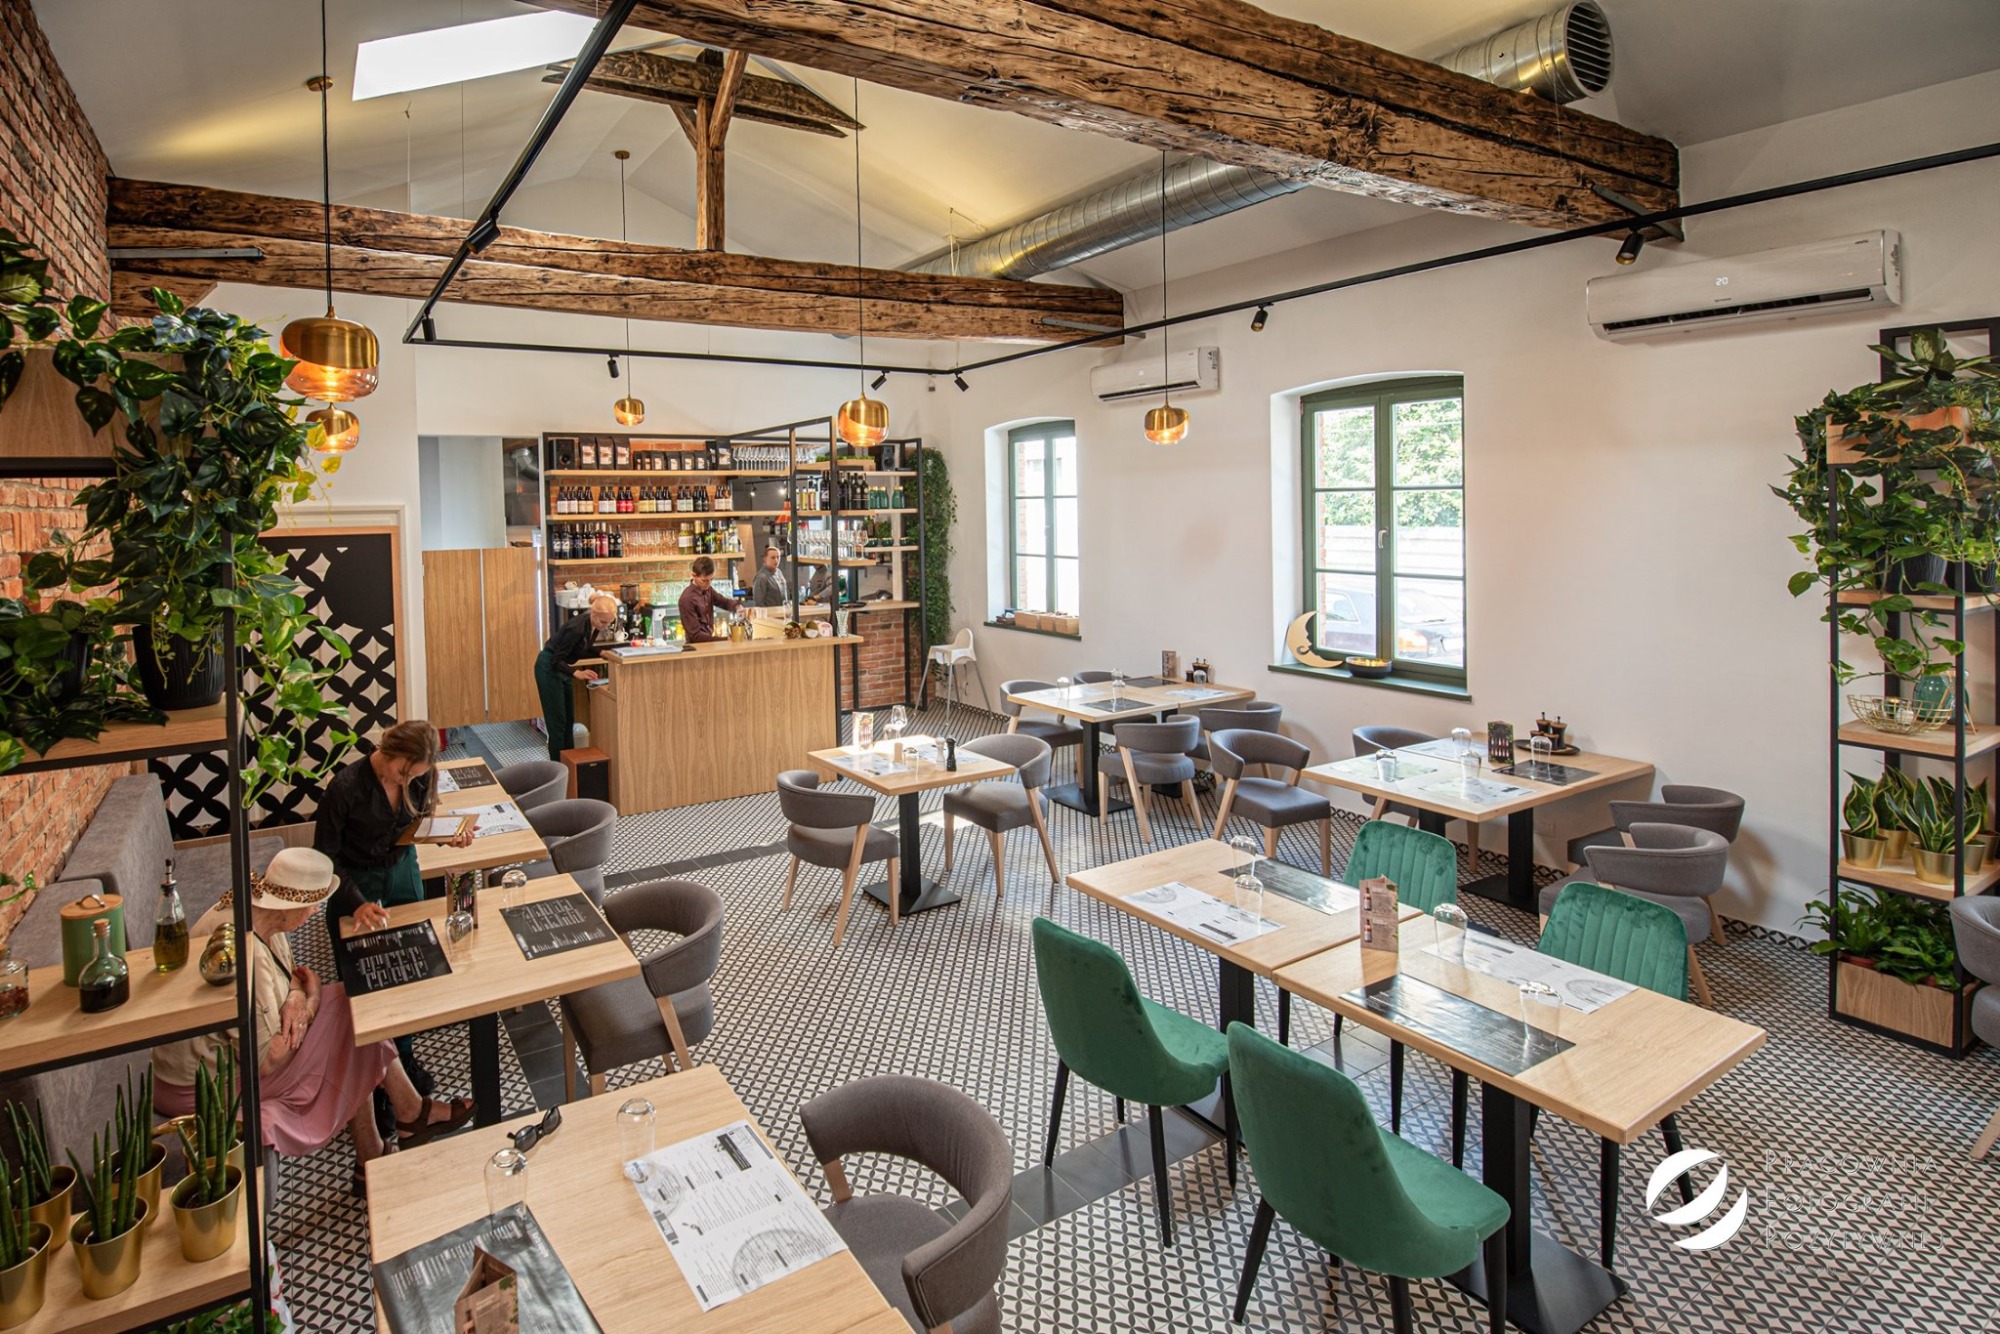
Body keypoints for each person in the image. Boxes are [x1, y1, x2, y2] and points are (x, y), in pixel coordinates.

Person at [152, 849, 473, 1197]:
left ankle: (388, 1138)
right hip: (206, 1084)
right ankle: (403, 1122)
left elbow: (293, 975)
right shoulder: (245, 952)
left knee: (351, 1008)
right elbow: (268, 1059)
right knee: (350, 1026)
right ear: (292, 905)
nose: (317, 912)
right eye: (314, 905)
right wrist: (312, 1000)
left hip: (232, 1058)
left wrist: (296, 996)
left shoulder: (260, 913)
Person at [535, 593, 618, 761]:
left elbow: (583, 646)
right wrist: (576, 673)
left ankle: (569, 763)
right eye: (603, 622)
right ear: (593, 614)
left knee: (568, 721)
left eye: (610, 623)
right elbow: (555, 660)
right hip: (549, 668)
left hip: (563, 667)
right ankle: (558, 767)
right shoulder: (576, 628)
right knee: (557, 724)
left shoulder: (592, 624)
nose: (605, 626)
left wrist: (601, 653)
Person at [677, 555, 740, 643]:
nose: (709, 583)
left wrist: (737, 607)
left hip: (708, 643)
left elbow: (724, 602)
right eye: (704, 580)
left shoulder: (708, 590)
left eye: (711, 579)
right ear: (694, 576)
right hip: (696, 646)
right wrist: (724, 640)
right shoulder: (686, 599)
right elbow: (695, 636)